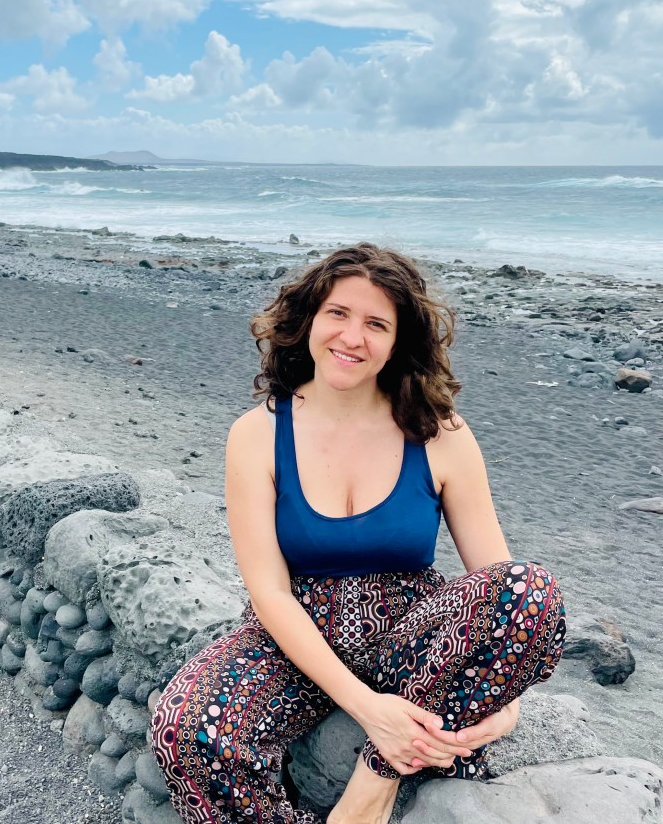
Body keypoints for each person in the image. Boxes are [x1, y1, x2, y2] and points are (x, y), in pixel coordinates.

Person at [150, 244, 566, 824]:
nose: (352, 337)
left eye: (376, 323)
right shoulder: (257, 434)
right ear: (310, 321)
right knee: (185, 729)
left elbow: (497, 581)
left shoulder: (439, 432)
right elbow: (268, 592)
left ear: (399, 342)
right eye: (338, 314)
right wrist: (368, 707)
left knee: (531, 588)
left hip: (411, 632)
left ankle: (372, 789)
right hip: (296, 636)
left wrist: (508, 705)